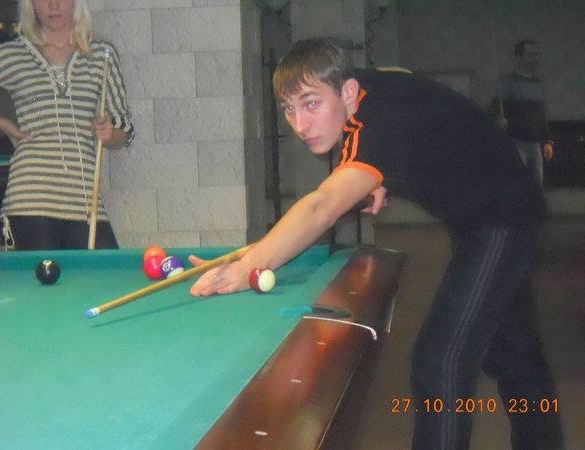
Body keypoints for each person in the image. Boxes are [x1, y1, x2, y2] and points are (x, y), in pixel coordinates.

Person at [189, 38, 565, 449]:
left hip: (500, 220)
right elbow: (399, 80)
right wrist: (379, 175)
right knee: (515, 355)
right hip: (496, 208)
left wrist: (251, 265)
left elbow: (322, 206)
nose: (300, 124)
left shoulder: (375, 129)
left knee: (440, 363)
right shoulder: (366, 87)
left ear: (347, 91)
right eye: (289, 109)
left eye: (311, 104)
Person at [0, 0, 134, 250]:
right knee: (42, 277)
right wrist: (3, 124)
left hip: (84, 198)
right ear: (32, 5)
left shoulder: (101, 54)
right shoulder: (14, 55)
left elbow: (125, 131)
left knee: (106, 271)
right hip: (29, 199)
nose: (53, 5)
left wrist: (109, 134)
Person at [490, 39, 553, 184]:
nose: (535, 58)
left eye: (536, 54)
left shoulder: (537, 83)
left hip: (535, 144)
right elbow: (492, 110)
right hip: (515, 142)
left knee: (536, 186)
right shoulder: (506, 83)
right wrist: (498, 118)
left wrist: (547, 140)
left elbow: (541, 113)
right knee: (517, 184)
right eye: (530, 54)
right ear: (519, 57)